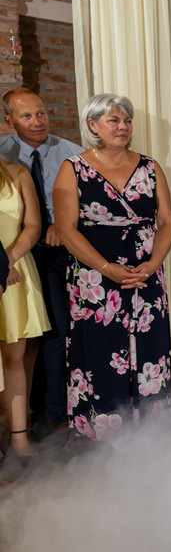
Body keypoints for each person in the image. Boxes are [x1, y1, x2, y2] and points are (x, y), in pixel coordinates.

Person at [52, 93, 171, 439]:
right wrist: (106, 268)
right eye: (114, 120)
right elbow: (66, 229)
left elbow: (166, 221)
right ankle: (104, 436)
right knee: (101, 352)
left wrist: (152, 264)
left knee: (150, 348)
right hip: (95, 280)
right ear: (93, 125)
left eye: (127, 121)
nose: (123, 127)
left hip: (145, 275)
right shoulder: (73, 169)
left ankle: (151, 433)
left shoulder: (150, 167)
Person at [0, 88, 84, 430]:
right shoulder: (2, 153)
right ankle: (21, 417)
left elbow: (87, 204)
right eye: (26, 116)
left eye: (41, 113)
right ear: (10, 121)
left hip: (53, 250)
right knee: (20, 341)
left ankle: (54, 414)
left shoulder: (73, 154)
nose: (37, 121)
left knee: (54, 332)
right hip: (12, 251)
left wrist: (61, 226)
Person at [0, 158, 49, 460]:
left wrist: (7, 261)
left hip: (15, 268)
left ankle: (19, 438)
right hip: (3, 269)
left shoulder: (17, 172)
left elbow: (33, 226)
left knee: (14, 358)